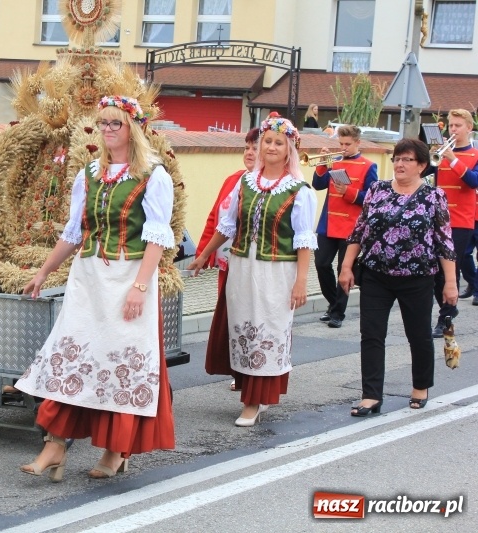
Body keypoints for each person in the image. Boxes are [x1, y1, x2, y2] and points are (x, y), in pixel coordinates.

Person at [13, 95, 175, 481]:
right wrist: (43, 271)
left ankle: (116, 450)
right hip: (88, 278)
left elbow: (157, 238)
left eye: (115, 123)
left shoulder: (154, 175)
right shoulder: (88, 173)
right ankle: (54, 445)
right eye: (102, 123)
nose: (106, 130)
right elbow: (74, 233)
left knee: (118, 363)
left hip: (128, 278)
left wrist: (140, 286)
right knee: (73, 356)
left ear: (133, 128)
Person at [188, 116, 317, 427]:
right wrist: (203, 253)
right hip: (242, 267)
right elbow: (228, 226)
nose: (270, 147)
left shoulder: (299, 190)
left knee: (268, 328)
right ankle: (250, 390)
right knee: (244, 327)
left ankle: (254, 401)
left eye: (278, 143)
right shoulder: (245, 183)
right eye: (267, 142)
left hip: (277, 271)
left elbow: (303, 241)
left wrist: (301, 282)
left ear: (290, 150)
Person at [339, 139, 457, 416]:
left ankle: (420, 387)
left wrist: (450, 283)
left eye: (407, 160)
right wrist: (346, 266)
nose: (400, 164)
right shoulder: (377, 190)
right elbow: (359, 230)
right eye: (396, 159)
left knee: (418, 335)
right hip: (376, 275)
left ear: (422, 166)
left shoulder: (433, 196)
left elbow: (445, 242)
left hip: (417, 278)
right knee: (371, 334)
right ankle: (371, 395)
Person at [195, 127, 259, 392]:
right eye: (247, 147)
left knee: (252, 319)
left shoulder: (278, 185)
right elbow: (216, 218)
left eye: (255, 147)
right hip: (228, 263)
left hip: (255, 264)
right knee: (231, 319)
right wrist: (203, 253)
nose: (250, 153)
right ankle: (237, 370)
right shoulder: (233, 179)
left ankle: (255, 375)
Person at [312, 125, 378, 328]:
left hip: (351, 226)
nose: (343, 147)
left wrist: (349, 192)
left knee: (344, 269)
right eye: (341, 144)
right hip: (328, 223)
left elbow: (372, 197)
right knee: (322, 264)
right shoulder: (335, 162)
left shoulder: (369, 165)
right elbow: (318, 184)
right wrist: (323, 163)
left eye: (347, 144)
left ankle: (338, 313)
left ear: (358, 143)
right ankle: (333, 303)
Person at [424, 109, 478, 337]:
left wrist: (452, 159)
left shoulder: (475, 154)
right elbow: (423, 171)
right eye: (450, 125)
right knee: (435, 271)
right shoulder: (442, 152)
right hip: (437, 219)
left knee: (450, 271)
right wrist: (429, 156)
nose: (452, 129)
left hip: (461, 221)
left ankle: (445, 317)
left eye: (457, 125)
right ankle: (448, 310)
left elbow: (473, 181)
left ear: (469, 128)